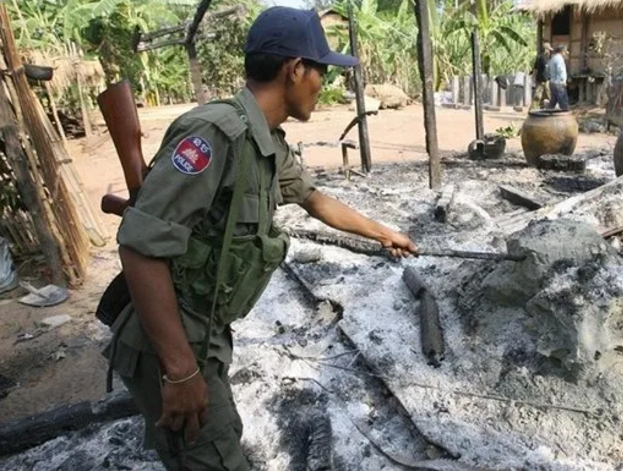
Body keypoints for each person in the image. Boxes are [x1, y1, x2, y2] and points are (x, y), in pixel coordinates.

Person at [103, 7, 418, 470]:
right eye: (321, 72)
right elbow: (138, 246)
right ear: (294, 70)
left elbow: (313, 199)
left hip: (202, 335)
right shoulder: (216, 134)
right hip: (171, 341)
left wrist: (384, 234)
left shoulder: (264, 141)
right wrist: (180, 369)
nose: (323, 85)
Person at [547, 45, 570, 110]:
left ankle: (548, 115)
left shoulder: (553, 58)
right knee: (563, 102)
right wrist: (563, 81)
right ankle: (565, 117)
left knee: (553, 102)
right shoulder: (559, 59)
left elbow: (548, 69)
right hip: (559, 83)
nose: (565, 54)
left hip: (552, 82)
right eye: (565, 52)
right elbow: (561, 70)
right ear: (562, 51)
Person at [530, 42, 552, 109]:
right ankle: (534, 108)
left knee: (546, 94)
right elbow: (543, 69)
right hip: (543, 80)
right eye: (549, 50)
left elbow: (535, 69)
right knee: (539, 94)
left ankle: (543, 107)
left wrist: (533, 77)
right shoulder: (543, 58)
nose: (549, 52)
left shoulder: (540, 57)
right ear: (546, 50)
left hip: (544, 79)